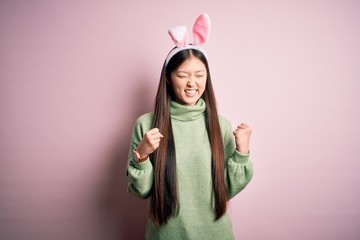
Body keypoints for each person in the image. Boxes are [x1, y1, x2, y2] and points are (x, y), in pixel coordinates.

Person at [126, 13, 253, 240]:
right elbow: (142, 190)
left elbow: (226, 191)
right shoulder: (147, 125)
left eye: (199, 75)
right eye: (183, 75)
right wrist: (142, 156)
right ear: (168, 78)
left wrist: (241, 154)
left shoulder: (220, 126)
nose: (192, 83)